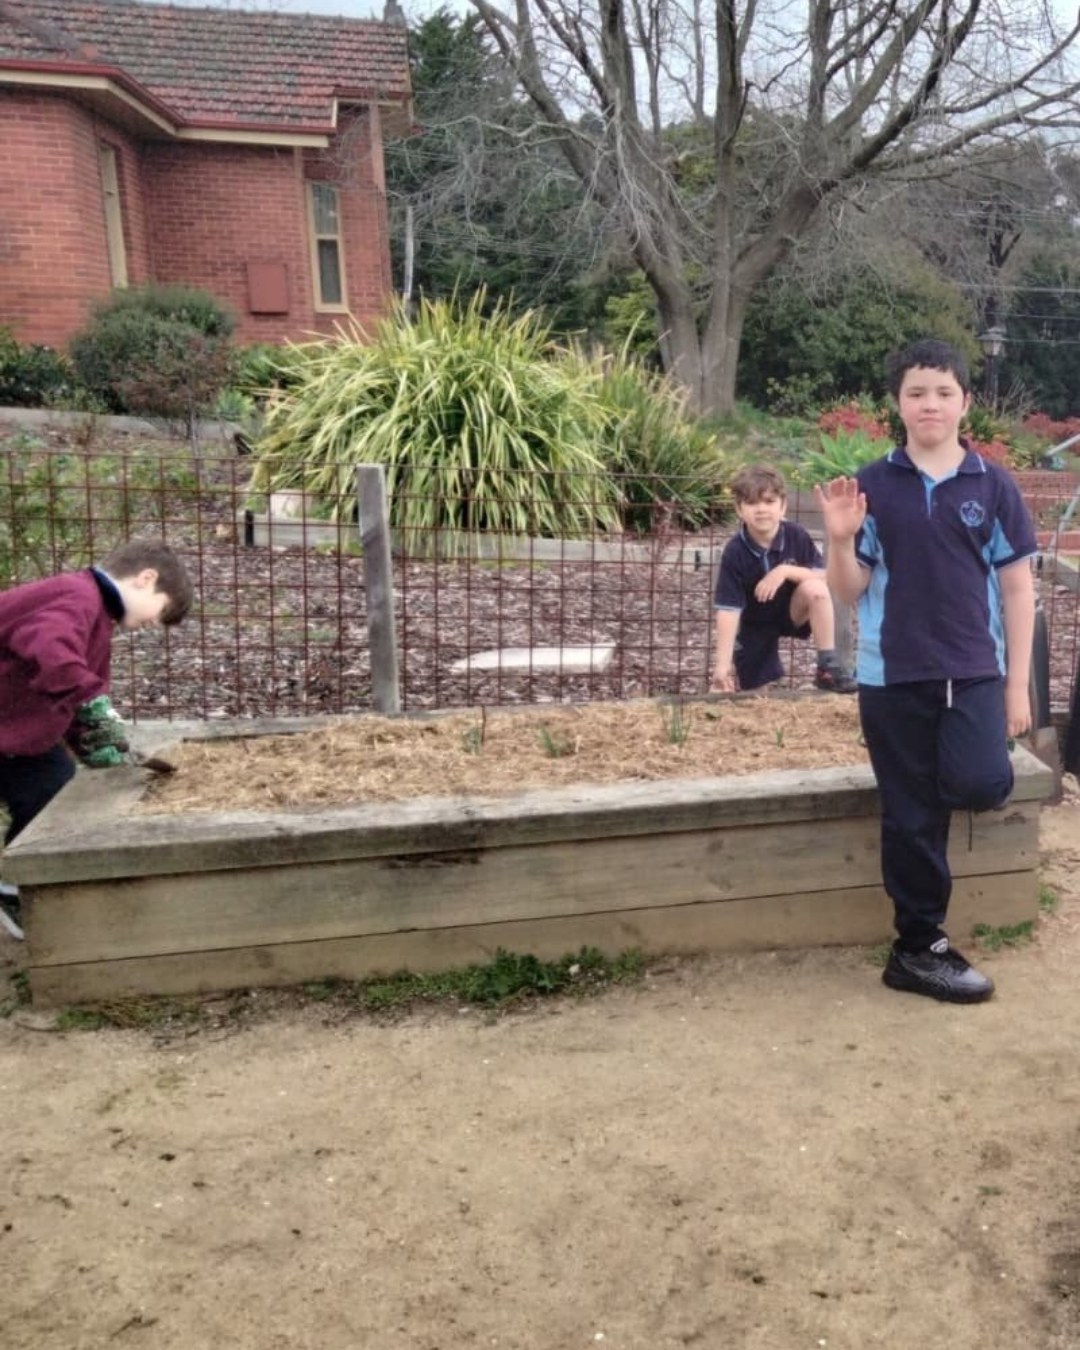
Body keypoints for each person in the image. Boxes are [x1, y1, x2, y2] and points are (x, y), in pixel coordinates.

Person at [817, 338, 1037, 1003]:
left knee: (981, 779)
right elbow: (850, 590)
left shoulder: (993, 484)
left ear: (965, 402)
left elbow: (1018, 589)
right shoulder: (874, 484)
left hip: (972, 670)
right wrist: (835, 538)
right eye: (917, 392)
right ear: (898, 404)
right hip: (894, 676)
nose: (930, 404)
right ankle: (918, 947)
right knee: (909, 815)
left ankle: (927, 837)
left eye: (944, 392)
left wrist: (1016, 685)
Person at [0, 539, 193, 940]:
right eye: (160, 613)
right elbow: (52, 653)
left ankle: (18, 887)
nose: (152, 626)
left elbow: (65, 690)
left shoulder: (95, 617)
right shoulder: (76, 596)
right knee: (50, 793)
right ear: (145, 579)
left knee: (52, 795)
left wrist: (91, 739)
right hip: (10, 730)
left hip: (18, 732)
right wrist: (93, 705)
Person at [712, 464, 857, 694]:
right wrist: (721, 666)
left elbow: (824, 576)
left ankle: (827, 667)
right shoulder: (735, 550)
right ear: (739, 509)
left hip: (792, 610)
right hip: (754, 623)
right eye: (752, 503)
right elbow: (728, 609)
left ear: (783, 506)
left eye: (769, 502)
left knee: (815, 588)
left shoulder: (796, 534)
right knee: (757, 694)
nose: (761, 510)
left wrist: (784, 571)